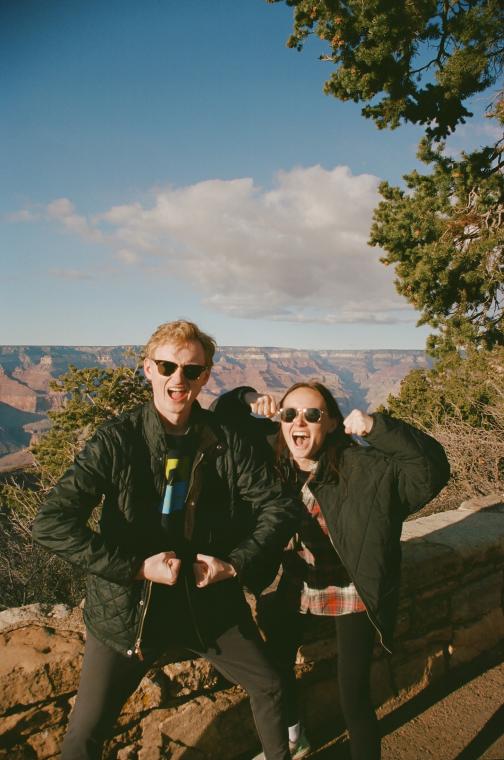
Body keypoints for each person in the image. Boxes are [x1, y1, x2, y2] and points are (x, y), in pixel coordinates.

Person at [32, 320, 302, 760]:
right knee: (84, 734)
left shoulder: (225, 439)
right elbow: (51, 522)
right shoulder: (117, 440)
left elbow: (279, 506)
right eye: (167, 366)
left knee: (270, 686)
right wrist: (136, 568)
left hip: (207, 601)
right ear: (148, 370)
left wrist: (234, 564)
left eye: (192, 371)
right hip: (130, 609)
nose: (179, 379)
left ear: (206, 376)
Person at [212, 382, 450, 760]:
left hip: (350, 585)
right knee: (277, 672)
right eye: (289, 414)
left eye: (312, 415)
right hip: (289, 580)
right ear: (280, 421)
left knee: (352, 692)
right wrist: (246, 397)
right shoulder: (269, 456)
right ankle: (293, 737)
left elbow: (431, 469)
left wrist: (377, 427)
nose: (299, 422)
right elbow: (220, 424)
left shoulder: (364, 469)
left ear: (333, 423)